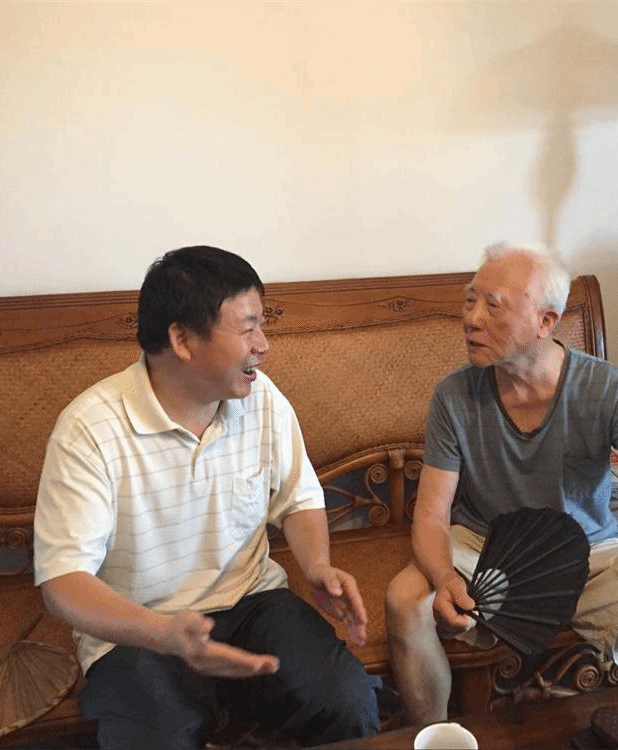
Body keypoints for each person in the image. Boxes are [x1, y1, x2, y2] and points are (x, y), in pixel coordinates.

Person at [34, 245, 381, 749]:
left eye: (263, 325)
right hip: (140, 631)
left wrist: (318, 566)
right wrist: (164, 633)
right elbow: (63, 583)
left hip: (253, 603)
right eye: (247, 328)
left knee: (347, 701)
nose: (263, 345)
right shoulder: (90, 429)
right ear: (182, 339)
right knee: (162, 737)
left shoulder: (260, 398)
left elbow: (298, 497)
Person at [385, 241, 618, 724]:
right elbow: (431, 514)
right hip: (484, 545)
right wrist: (445, 578)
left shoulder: (607, 389)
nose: (471, 319)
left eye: (493, 306)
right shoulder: (454, 395)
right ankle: (437, 736)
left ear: (545, 322)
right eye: (469, 300)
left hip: (588, 551)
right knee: (405, 600)